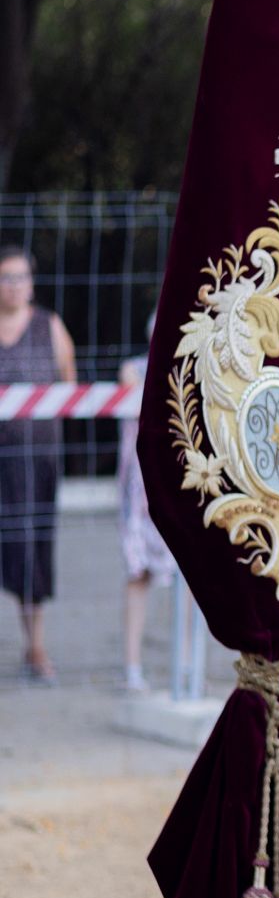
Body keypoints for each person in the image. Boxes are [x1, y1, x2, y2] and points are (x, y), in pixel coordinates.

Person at [0, 246, 76, 683]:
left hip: (39, 459)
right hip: (4, 462)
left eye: (20, 277)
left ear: (31, 282)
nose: (13, 285)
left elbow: (69, 385)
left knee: (33, 549)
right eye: (6, 277)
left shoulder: (49, 325)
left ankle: (36, 645)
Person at [117, 314, 176, 693]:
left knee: (188, 581)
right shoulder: (134, 370)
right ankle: (132, 664)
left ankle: (183, 667)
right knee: (137, 574)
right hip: (138, 493)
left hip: (177, 487)